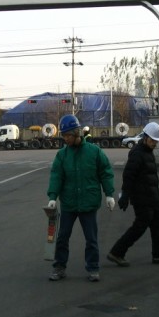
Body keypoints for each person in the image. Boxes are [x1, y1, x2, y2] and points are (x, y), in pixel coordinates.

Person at [46, 114, 115, 282]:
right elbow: (56, 176)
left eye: (68, 135)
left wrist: (109, 194)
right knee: (62, 237)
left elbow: (105, 173)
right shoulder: (62, 155)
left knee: (91, 239)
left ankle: (93, 268)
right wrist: (53, 197)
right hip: (69, 203)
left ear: (77, 133)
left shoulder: (94, 152)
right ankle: (59, 267)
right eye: (63, 135)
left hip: (88, 203)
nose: (65, 139)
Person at [107, 122, 159, 266]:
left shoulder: (148, 152)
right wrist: (125, 195)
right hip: (142, 199)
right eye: (152, 140)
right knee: (139, 227)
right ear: (145, 137)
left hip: (152, 197)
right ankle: (117, 252)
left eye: (156, 141)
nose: (154, 143)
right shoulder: (137, 154)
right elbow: (128, 175)